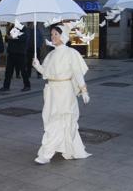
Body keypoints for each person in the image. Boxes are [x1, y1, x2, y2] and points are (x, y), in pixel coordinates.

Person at [32, 24, 91, 164]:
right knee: (53, 119)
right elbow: (47, 73)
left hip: (65, 91)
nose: (52, 37)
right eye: (51, 35)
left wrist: (84, 90)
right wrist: (38, 66)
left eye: (55, 34)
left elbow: (77, 72)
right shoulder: (51, 54)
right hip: (52, 91)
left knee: (58, 120)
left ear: (63, 36)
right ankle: (68, 147)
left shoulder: (71, 53)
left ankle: (46, 154)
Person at [0, 22, 30, 92]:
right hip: (11, 53)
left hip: (20, 53)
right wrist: (7, 36)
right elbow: (7, 39)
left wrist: (13, 37)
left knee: (23, 70)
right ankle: (6, 86)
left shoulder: (23, 29)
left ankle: (27, 85)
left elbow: (23, 39)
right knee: (8, 71)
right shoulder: (12, 28)